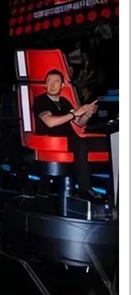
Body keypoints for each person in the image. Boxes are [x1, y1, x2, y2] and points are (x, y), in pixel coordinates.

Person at [33, 69, 106, 201]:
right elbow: (50, 122)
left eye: (56, 81)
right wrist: (74, 113)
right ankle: (84, 189)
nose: (52, 85)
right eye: (49, 81)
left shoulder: (64, 101)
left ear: (62, 85)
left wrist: (87, 113)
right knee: (80, 144)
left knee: (108, 142)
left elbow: (79, 123)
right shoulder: (40, 100)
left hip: (71, 138)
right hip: (53, 140)